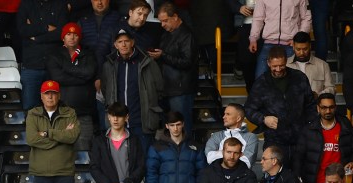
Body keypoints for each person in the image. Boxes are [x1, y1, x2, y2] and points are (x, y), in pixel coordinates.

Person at [245, 46, 314, 162]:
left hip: (301, 138)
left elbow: (311, 104)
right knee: (276, 178)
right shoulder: (261, 83)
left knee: (301, 177)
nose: (278, 69)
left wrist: (309, 126)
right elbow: (249, 109)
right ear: (268, 63)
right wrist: (263, 119)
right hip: (274, 140)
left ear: (286, 61)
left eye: (281, 65)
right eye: (274, 66)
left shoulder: (299, 77)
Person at [100, 29, 163, 151]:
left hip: (142, 122)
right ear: (115, 45)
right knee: (121, 162)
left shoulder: (147, 63)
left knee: (143, 160)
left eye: (126, 41)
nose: (123, 45)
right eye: (120, 41)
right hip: (118, 123)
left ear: (132, 42)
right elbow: (105, 90)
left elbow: (159, 88)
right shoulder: (109, 65)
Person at [26, 80, 79, 183]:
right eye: (47, 93)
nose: (50, 97)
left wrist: (47, 133)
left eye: (53, 93)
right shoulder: (33, 114)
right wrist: (62, 136)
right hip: (41, 171)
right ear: (41, 96)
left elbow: (72, 136)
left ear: (59, 95)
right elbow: (32, 139)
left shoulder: (70, 113)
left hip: (64, 171)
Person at [45, 23, 97, 152]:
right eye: (68, 34)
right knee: (62, 153)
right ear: (63, 37)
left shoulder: (88, 53)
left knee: (84, 151)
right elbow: (58, 77)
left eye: (75, 34)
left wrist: (67, 68)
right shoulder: (55, 54)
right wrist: (82, 77)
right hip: (61, 113)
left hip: (84, 112)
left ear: (79, 37)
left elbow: (90, 73)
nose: (72, 37)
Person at [295, 95, 353, 183]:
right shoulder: (309, 129)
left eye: (331, 107)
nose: (328, 111)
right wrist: (298, 177)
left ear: (335, 107)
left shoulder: (345, 126)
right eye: (324, 107)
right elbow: (299, 156)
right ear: (318, 108)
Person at [150, 3, 196, 133]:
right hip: (169, 87)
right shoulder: (167, 34)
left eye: (165, 21)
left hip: (181, 89)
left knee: (182, 126)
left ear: (175, 17)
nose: (162, 25)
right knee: (172, 127)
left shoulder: (187, 35)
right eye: (161, 21)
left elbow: (187, 62)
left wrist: (162, 55)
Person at [16, 0, 69, 111]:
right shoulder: (26, 4)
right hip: (31, 64)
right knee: (30, 109)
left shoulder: (60, 4)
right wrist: (45, 27)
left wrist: (37, 37)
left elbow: (62, 33)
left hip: (55, 66)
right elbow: (22, 30)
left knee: (57, 108)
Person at [249, 0, 311, 77]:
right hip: (268, 43)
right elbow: (258, 18)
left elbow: (306, 18)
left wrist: (297, 39)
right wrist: (253, 38)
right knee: (259, 78)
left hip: (290, 45)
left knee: (293, 79)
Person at [205, 103, 259, 168]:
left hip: (241, 177)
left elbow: (247, 163)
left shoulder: (251, 137)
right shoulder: (216, 136)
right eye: (224, 114)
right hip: (218, 176)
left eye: (228, 114)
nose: (224, 117)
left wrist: (219, 153)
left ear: (238, 118)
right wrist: (237, 155)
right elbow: (210, 158)